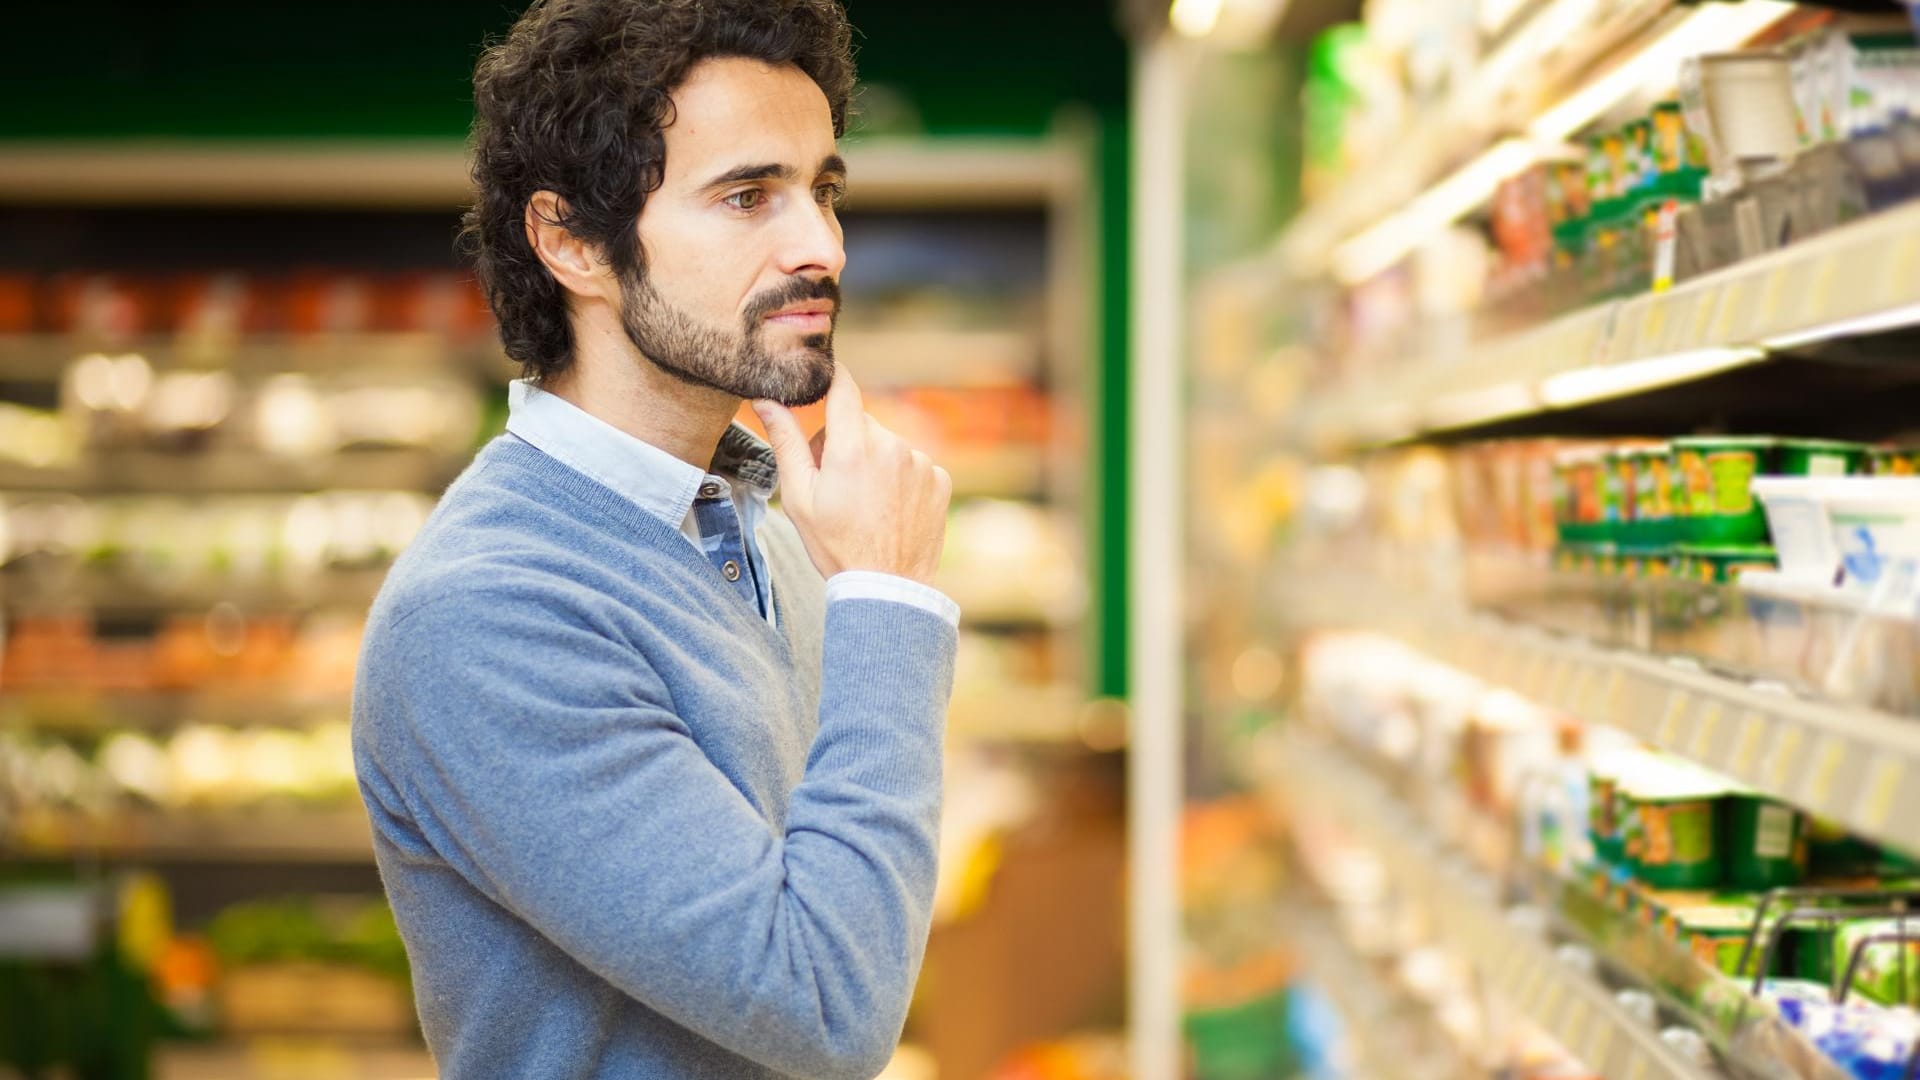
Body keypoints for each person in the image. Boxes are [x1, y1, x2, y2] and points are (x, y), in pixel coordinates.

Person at [350, 1, 959, 1076]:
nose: (821, 246)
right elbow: (823, 1004)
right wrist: (887, 602)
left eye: (823, 190)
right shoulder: (489, 609)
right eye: (747, 196)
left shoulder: (764, 526)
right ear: (572, 241)